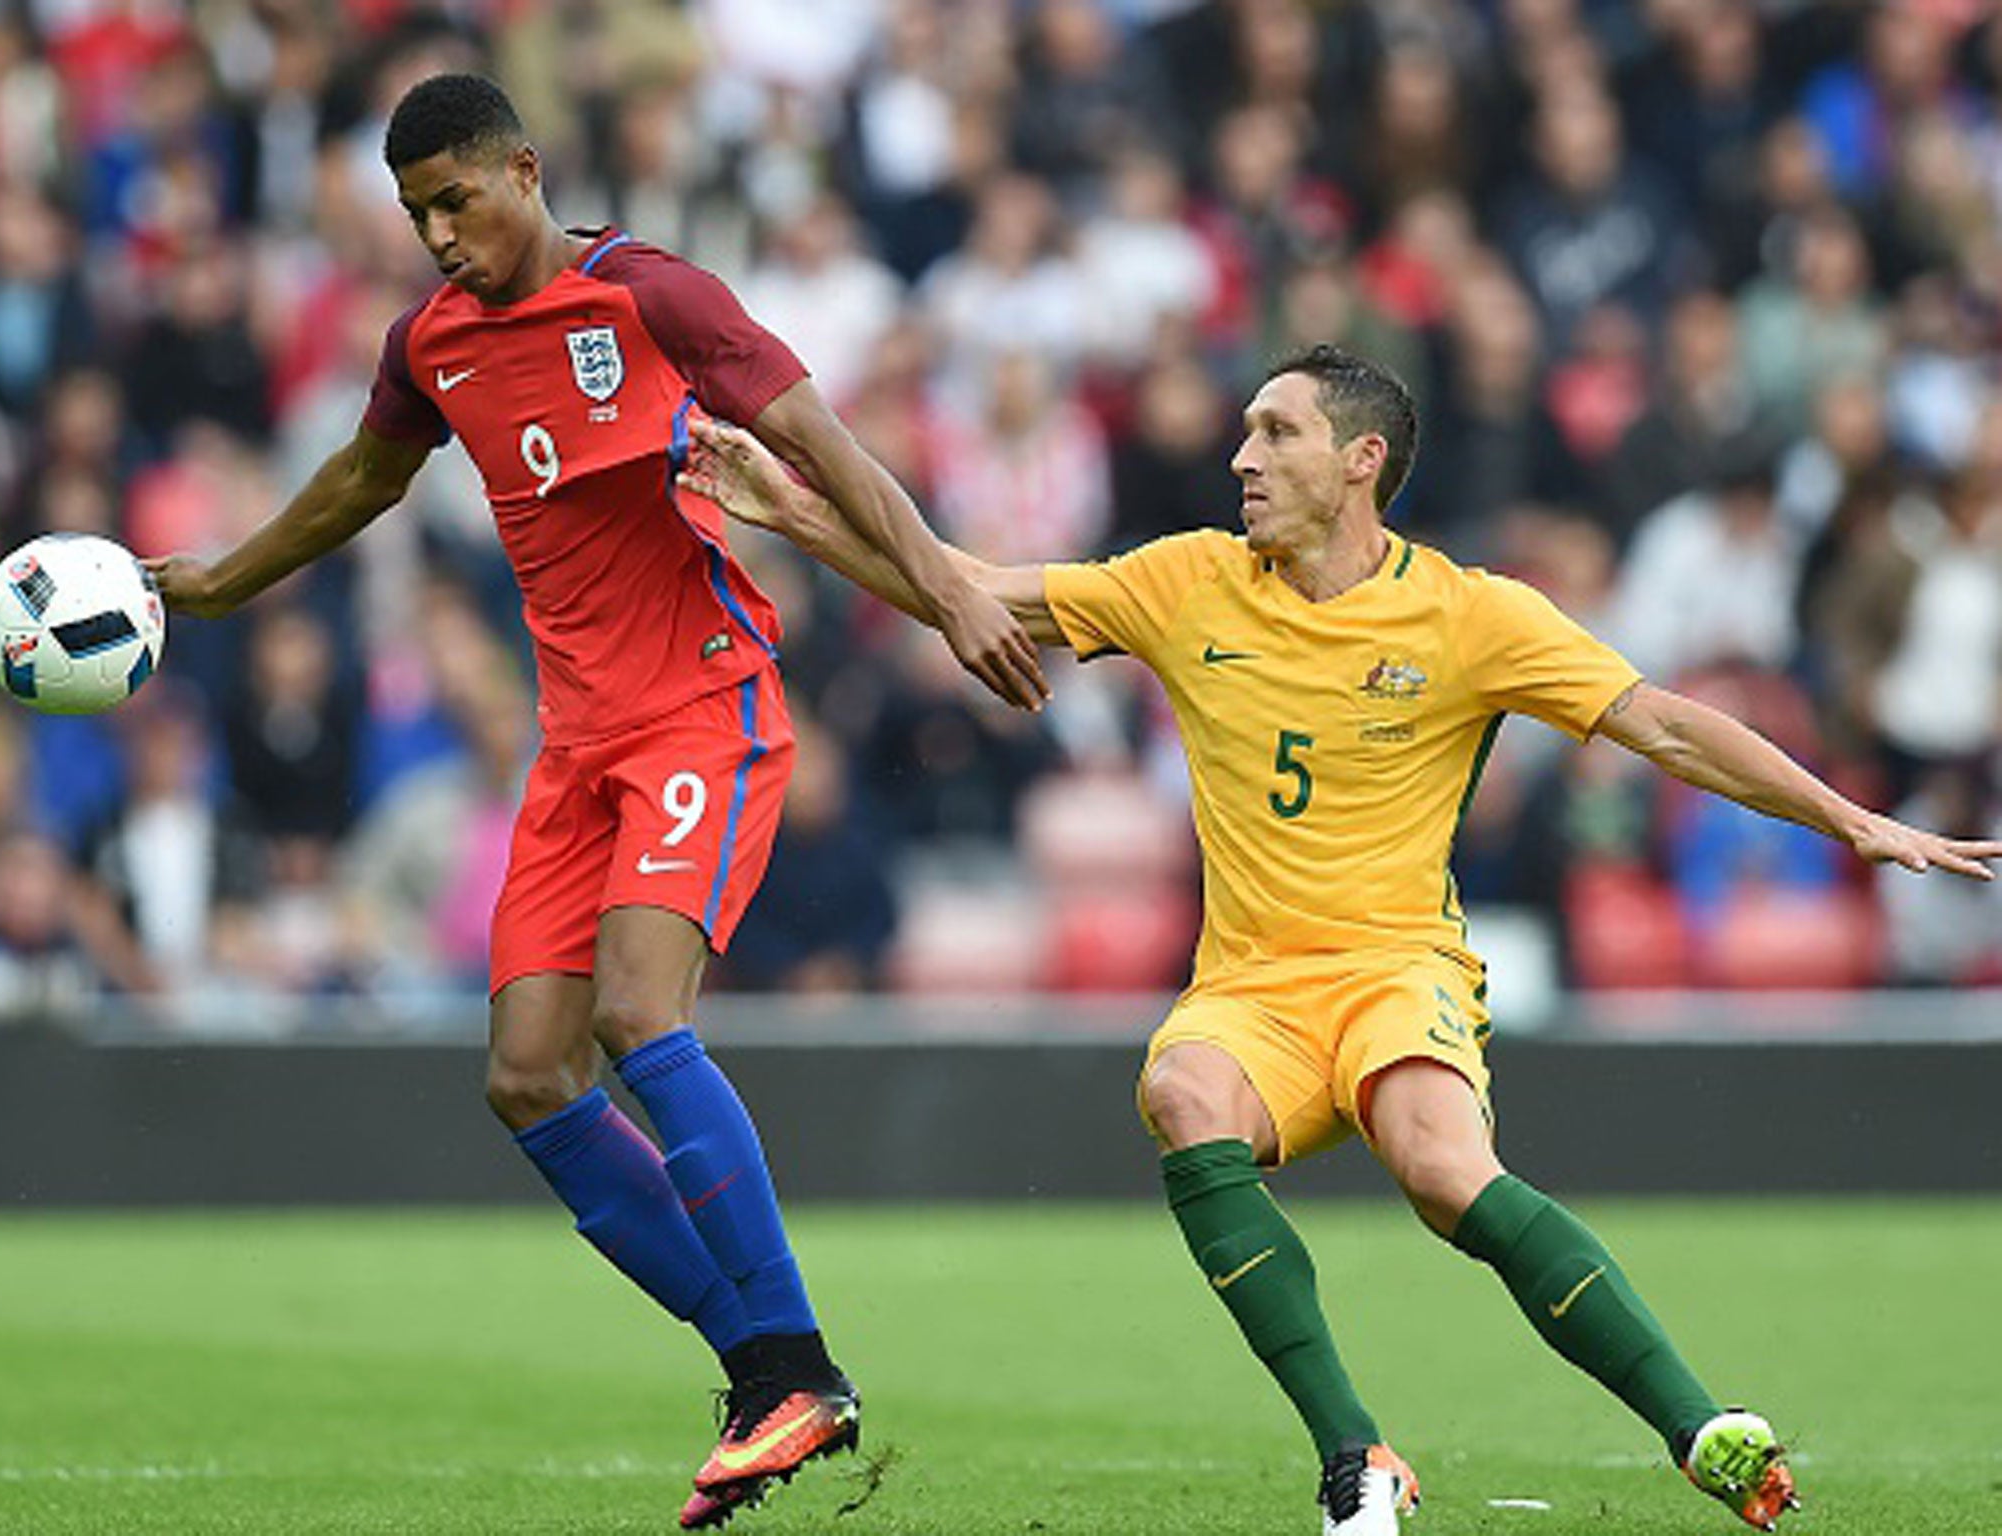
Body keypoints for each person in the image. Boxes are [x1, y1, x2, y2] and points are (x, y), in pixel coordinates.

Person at [680, 342, 2002, 1536]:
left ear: (1360, 461)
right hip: (1251, 987)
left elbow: (1660, 723)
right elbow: (964, 592)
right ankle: (1356, 1458)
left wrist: (1850, 820)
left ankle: (1699, 1429)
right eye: (1244, 432)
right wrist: (793, 513)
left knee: (1440, 1169)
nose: (1242, 457)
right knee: (1180, 1091)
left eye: (1275, 433)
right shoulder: (1186, 581)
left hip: (1399, 973)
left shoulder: (1473, 616)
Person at [147, 73, 1048, 1532]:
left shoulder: (655, 298)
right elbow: (357, 484)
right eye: (415, 213)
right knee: (524, 1073)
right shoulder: (431, 345)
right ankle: (765, 1367)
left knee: (643, 1012)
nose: (440, 236)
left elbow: (823, 445)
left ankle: (798, 1367)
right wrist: (222, 580)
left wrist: (947, 592)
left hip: (707, 704)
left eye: (458, 199)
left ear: (525, 169)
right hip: (576, 752)